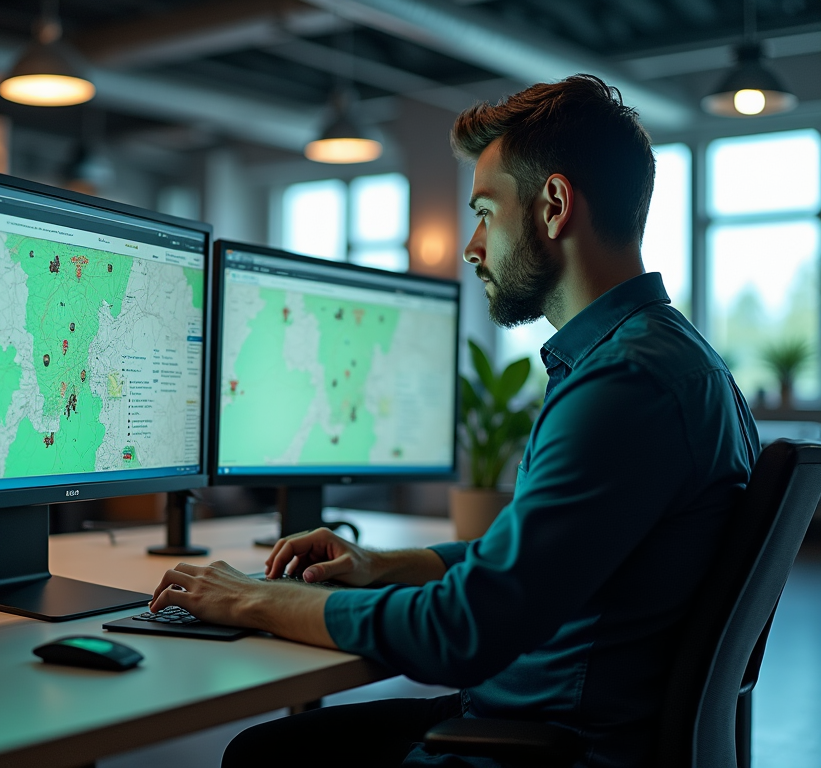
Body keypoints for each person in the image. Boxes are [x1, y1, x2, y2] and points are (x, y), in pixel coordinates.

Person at [148, 74, 759, 768]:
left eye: (486, 213)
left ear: (554, 205)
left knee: (265, 758)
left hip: (550, 746)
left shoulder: (622, 385)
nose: (471, 246)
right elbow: (533, 561)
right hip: (558, 722)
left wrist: (251, 600)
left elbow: (462, 631)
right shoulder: (673, 360)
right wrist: (384, 564)